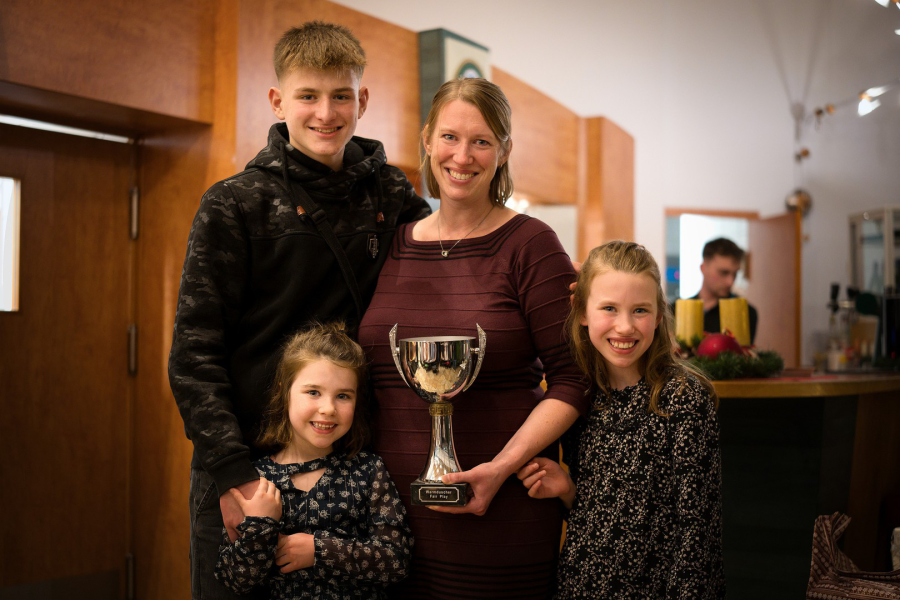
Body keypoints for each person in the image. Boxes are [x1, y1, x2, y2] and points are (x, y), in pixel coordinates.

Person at [168, 21, 430, 600]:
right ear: (277, 100)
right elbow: (193, 357)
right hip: (247, 470)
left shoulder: (391, 195)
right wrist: (233, 476)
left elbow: (450, 258)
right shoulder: (233, 204)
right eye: (307, 95)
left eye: (341, 96)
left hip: (350, 468)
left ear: (362, 99)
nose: (325, 113)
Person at [357, 78, 589, 599]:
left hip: (500, 513)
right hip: (388, 522)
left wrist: (500, 470)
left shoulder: (531, 244)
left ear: (504, 151)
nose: (462, 157)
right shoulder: (391, 244)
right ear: (426, 139)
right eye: (449, 137)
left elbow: (574, 379)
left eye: (481, 141)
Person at [517, 240, 726, 598]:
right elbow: (605, 514)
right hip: (581, 586)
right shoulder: (581, 398)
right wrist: (568, 491)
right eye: (609, 308)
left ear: (658, 316)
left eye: (640, 310)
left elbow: (698, 534)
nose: (625, 326)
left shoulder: (683, 398)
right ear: (582, 312)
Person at [214, 322, 412, 599]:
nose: (328, 408)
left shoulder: (368, 470)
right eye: (313, 392)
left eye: (343, 396)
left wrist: (320, 550)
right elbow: (234, 580)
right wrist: (260, 524)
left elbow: (397, 560)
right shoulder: (255, 481)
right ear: (285, 392)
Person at [694, 237, 758, 342]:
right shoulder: (675, 311)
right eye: (724, 272)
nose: (730, 282)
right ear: (703, 268)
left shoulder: (744, 313)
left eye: (735, 274)